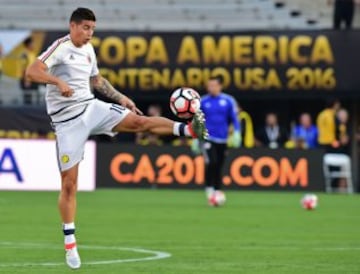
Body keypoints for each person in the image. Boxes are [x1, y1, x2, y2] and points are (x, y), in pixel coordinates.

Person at [25, 7, 207, 270]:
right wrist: (57, 82)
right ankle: (70, 242)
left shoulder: (88, 50)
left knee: (139, 122)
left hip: (90, 107)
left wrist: (120, 97)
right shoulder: (60, 47)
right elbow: (32, 71)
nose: (89, 34)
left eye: (93, 29)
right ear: (73, 26)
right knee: (69, 185)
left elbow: (96, 80)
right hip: (67, 122)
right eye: (86, 28)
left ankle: (188, 130)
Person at [192, 76, 240, 206]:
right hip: (207, 137)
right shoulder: (203, 101)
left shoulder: (228, 100)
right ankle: (209, 188)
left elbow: (234, 118)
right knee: (211, 161)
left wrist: (237, 132)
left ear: (220, 86)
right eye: (209, 86)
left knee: (219, 165)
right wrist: (196, 137)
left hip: (223, 138)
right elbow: (197, 120)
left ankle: (218, 190)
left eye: (213, 85)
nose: (211, 88)